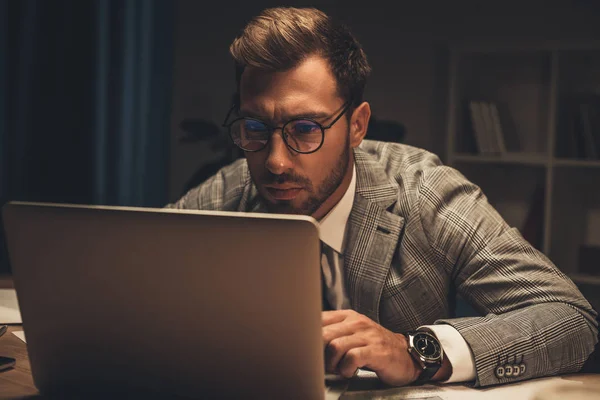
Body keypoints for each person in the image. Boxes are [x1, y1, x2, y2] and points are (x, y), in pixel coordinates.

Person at [168, 7, 598, 387]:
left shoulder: (425, 192)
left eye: (305, 129)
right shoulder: (228, 194)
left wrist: (419, 353)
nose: (275, 162)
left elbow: (570, 318)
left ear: (357, 125)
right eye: (256, 128)